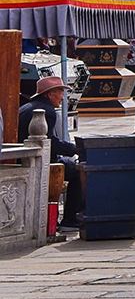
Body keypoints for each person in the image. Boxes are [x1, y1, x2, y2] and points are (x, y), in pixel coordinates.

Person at [17, 76, 84, 229]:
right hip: (42, 161)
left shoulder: (26, 107)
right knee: (78, 170)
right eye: (60, 92)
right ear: (49, 94)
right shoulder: (47, 111)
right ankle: (71, 220)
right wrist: (75, 149)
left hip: (26, 158)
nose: (62, 97)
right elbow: (50, 143)